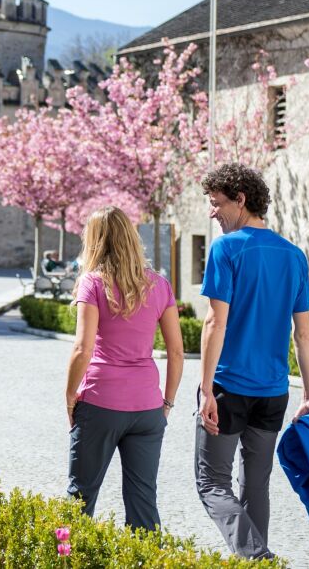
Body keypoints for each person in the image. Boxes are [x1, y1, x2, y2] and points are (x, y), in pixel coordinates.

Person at [195, 163, 309, 560]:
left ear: (241, 200)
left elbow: (216, 321)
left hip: (229, 387)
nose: (212, 212)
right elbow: (303, 335)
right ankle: (255, 561)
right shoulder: (294, 256)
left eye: (216, 204)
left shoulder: (226, 249)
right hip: (274, 393)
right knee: (255, 486)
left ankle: (256, 558)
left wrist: (205, 388)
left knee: (211, 482)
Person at [65, 207, 184, 530]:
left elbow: (82, 348)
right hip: (148, 408)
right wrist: (167, 403)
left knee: (78, 499)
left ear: (95, 242)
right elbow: (176, 351)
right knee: (143, 501)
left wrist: (70, 395)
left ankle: (61, 561)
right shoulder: (160, 285)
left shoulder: (93, 283)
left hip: (101, 403)